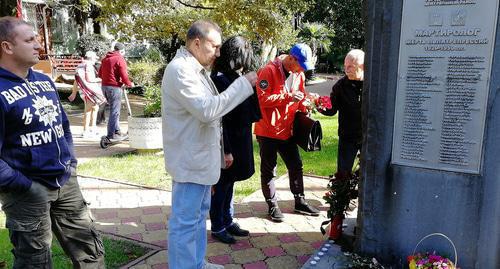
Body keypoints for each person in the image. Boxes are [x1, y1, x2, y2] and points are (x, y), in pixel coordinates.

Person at [0, 17, 105, 268]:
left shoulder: (44, 81)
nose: (38, 45)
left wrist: (71, 164)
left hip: (65, 181)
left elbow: (62, 127)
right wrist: (25, 185)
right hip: (27, 191)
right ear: (7, 47)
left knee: (90, 250)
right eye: (29, 40)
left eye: (36, 38)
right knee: (34, 262)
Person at [161, 20, 257, 269]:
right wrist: (244, 84)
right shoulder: (181, 69)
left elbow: (212, 119)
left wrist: (222, 152)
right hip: (189, 162)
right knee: (185, 222)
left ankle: (196, 264)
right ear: (196, 42)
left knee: (196, 219)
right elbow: (208, 110)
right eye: (214, 46)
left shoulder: (195, 69)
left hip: (200, 161)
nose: (218, 53)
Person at [254, 43, 320, 222]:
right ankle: (272, 205)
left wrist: (305, 103)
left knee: (295, 165)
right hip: (267, 130)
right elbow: (262, 100)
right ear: (291, 58)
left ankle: (300, 201)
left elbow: (300, 96)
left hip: (287, 129)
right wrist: (288, 97)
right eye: (301, 65)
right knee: (269, 169)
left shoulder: (298, 74)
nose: (302, 70)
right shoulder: (268, 71)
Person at [209, 36, 261, 244]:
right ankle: (217, 225)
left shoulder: (232, 76)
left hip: (240, 137)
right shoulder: (220, 79)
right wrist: (226, 150)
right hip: (228, 140)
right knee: (222, 185)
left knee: (230, 183)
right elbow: (221, 120)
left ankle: (228, 219)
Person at [317, 49, 364, 180]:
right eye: (345, 66)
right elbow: (331, 109)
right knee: (343, 172)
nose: (346, 70)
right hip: (347, 135)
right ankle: (341, 198)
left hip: (369, 136)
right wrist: (318, 103)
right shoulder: (340, 86)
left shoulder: (374, 84)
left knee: (369, 171)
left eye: (350, 66)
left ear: (362, 66)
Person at [98, 42, 133, 141]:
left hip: (104, 87)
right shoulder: (119, 58)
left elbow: (100, 74)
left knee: (114, 110)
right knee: (115, 111)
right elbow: (124, 74)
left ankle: (117, 131)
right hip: (114, 88)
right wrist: (129, 83)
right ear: (121, 51)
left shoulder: (105, 59)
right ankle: (110, 135)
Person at [68, 50, 104, 138]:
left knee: (95, 108)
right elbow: (90, 79)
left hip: (84, 91)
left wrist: (74, 92)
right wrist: (101, 79)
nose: (95, 60)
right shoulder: (88, 65)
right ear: (91, 58)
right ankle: (86, 130)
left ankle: (92, 128)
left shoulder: (80, 65)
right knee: (88, 110)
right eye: (95, 58)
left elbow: (76, 80)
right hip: (90, 91)